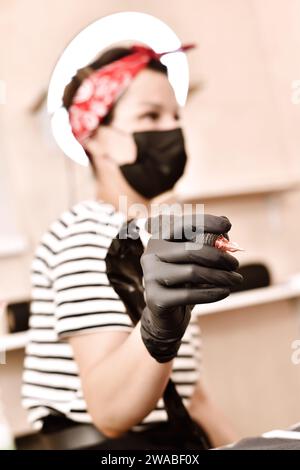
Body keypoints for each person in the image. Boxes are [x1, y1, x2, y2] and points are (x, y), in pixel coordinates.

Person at [21, 43, 242, 449]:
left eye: (175, 116)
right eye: (149, 116)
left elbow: (189, 393)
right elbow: (109, 413)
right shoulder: (88, 232)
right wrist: (158, 327)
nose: (171, 130)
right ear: (95, 138)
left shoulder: (146, 236)